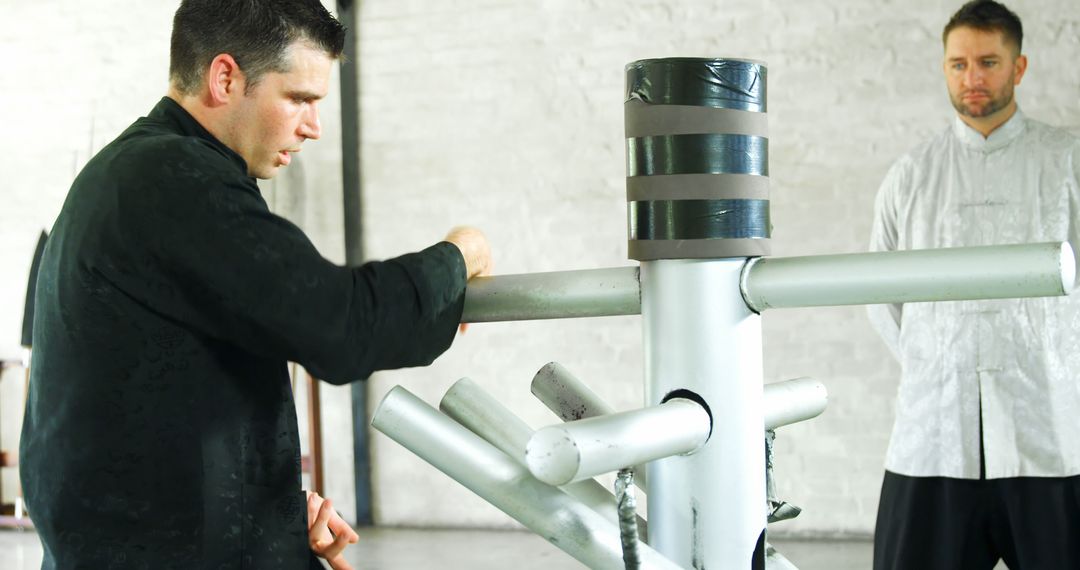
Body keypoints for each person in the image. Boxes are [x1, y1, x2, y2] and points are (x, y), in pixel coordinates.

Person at [18, 1, 492, 568]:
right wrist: (460, 255)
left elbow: (152, 401)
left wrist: (267, 511)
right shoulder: (174, 179)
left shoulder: (128, 174)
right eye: (300, 99)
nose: (313, 126)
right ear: (225, 78)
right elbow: (340, 326)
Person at [867, 1, 1080, 568]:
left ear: (1020, 67)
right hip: (933, 435)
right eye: (958, 64)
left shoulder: (1068, 163)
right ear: (944, 69)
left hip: (1051, 435)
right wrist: (935, 358)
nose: (973, 78)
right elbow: (882, 297)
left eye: (988, 62)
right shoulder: (911, 176)